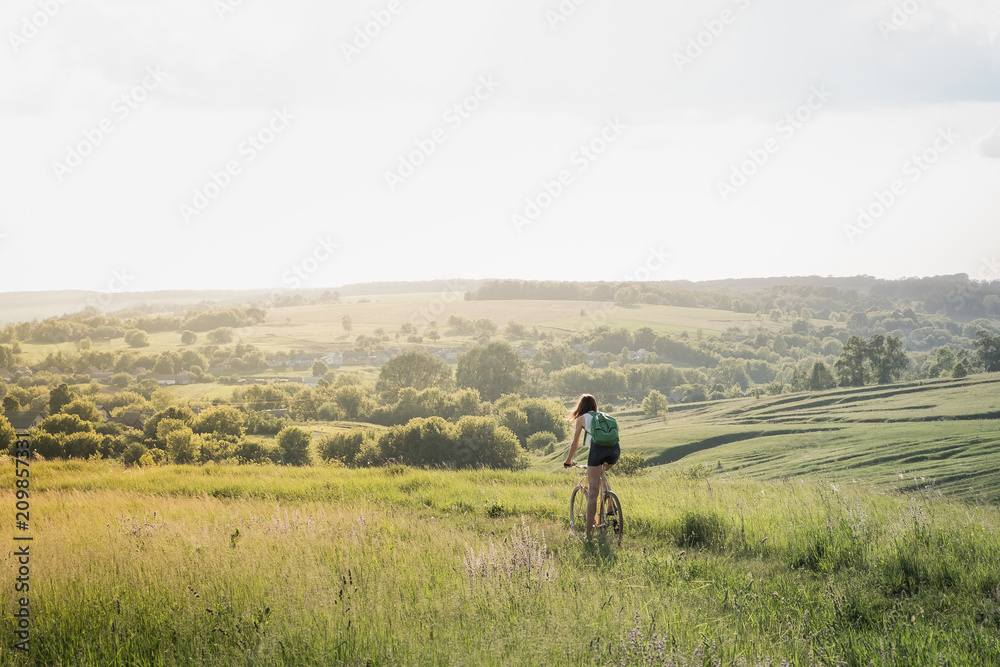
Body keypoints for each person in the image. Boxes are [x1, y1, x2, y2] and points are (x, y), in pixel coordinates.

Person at [563, 393, 620, 538]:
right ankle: (610, 505)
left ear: (580, 407)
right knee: (601, 476)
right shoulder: (605, 416)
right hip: (614, 451)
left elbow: (575, 444)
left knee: (593, 493)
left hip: (597, 452)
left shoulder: (582, 419)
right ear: (595, 405)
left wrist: (568, 460)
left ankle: (588, 534)